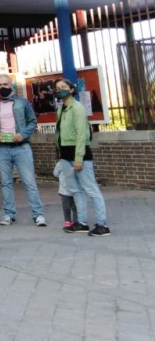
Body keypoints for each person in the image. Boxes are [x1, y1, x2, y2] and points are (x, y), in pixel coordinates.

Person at [54, 78, 110, 236]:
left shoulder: (77, 108)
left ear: (71, 89)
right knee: (75, 190)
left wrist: (79, 158)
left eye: (63, 87)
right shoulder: (61, 109)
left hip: (79, 153)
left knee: (91, 189)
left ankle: (102, 224)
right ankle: (82, 222)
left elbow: (81, 135)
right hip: (65, 153)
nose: (60, 90)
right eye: (57, 88)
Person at [0, 74, 47, 227]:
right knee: (6, 183)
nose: (2, 87)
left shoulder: (22, 102)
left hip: (21, 147)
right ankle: (9, 214)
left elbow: (32, 121)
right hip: (2, 149)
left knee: (29, 182)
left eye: (5, 84)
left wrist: (23, 134)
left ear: (11, 85)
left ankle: (38, 214)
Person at [53, 161, 77, 228]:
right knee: (75, 207)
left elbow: (55, 174)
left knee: (66, 207)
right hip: (73, 189)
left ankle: (68, 220)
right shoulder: (75, 163)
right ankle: (75, 220)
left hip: (64, 190)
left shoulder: (60, 163)